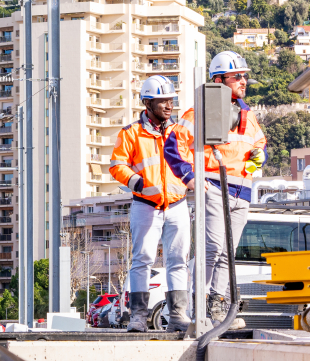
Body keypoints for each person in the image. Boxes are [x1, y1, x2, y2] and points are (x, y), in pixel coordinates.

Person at [165, 51, 267, 327]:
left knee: (227, 253)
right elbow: (173, 146)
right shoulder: (200, 110)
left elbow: (260, 143)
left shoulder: (247, 113)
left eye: (245, 76)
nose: (244, 81)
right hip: (214, 185)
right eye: (237, 76)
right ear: (219, 80)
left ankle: (218, 308)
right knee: (211, 248)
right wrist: (189, 177)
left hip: (242, 190)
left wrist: (261, 155)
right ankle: (199, 305)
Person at [109, 76, 191, 333]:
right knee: (142, 260)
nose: (169, 105)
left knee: (178, 261)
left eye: (170, 100)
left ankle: (178, 316)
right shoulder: (131, 133)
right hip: (146, 205)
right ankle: (138, 317)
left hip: (177, 205)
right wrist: (136, 182)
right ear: (147, 103)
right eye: (162, 101)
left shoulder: (180, 132)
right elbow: (117, 165)